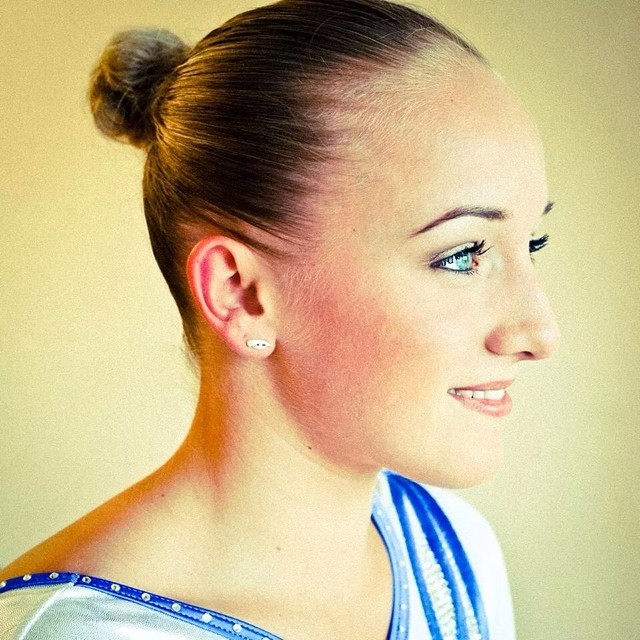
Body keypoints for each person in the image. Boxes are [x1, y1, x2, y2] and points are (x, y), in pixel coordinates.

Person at [0, 0, 559, 638]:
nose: (540, 333)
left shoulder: (458, 552)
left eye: (533, 244)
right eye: (460, 255)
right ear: (240, 294)